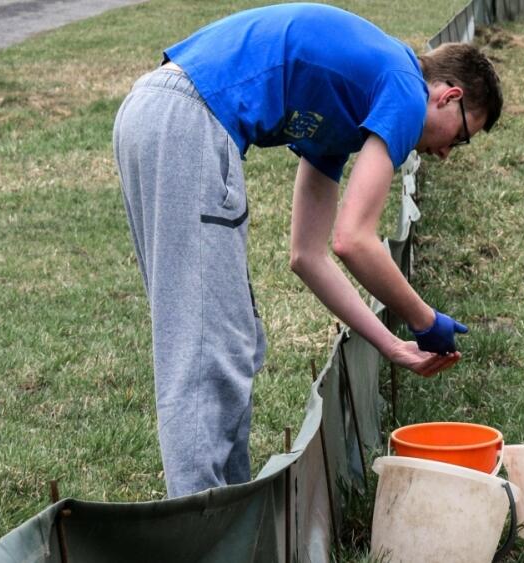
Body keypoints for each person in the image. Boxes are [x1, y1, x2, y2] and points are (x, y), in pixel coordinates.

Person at [112, 3, 503, 498]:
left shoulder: (347, 107)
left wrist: (390, 343)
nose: (446, 153)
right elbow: (354, 239)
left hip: (157, 112)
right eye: (461, 137)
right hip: (188, 119)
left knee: (230, 341)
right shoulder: (405, 88)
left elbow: (309, 255)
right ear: (449, 96)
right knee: (205, 349)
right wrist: (424, 320)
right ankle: (199, 525)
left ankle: (227, 509)